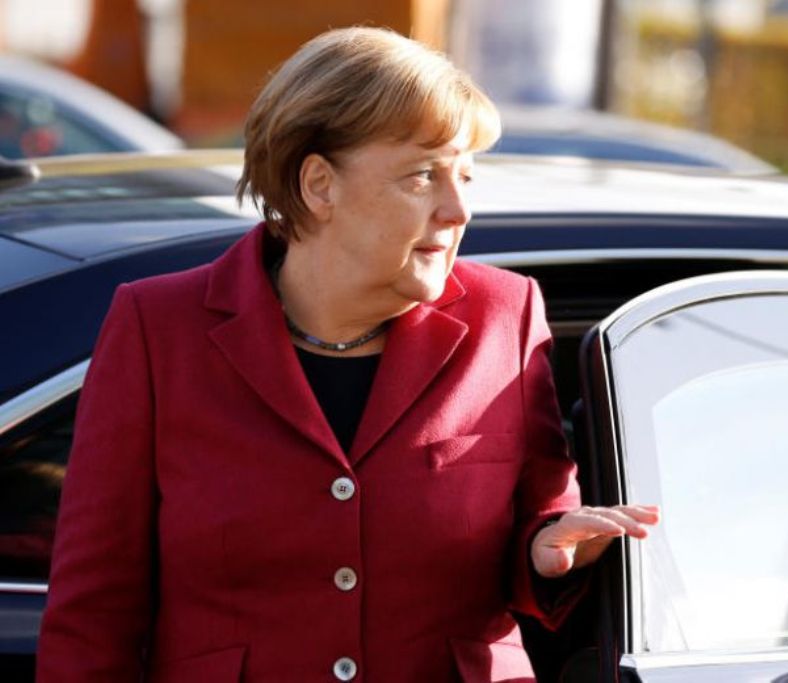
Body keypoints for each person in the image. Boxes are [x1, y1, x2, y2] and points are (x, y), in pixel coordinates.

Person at [37, 27, 658, 682]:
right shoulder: (158, 329)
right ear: (318, 185)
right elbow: (92, 616)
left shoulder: (507, 314)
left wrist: (547, 548)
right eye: (423, 174)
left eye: (465, 174)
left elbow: (543, 516)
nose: (459, 209)